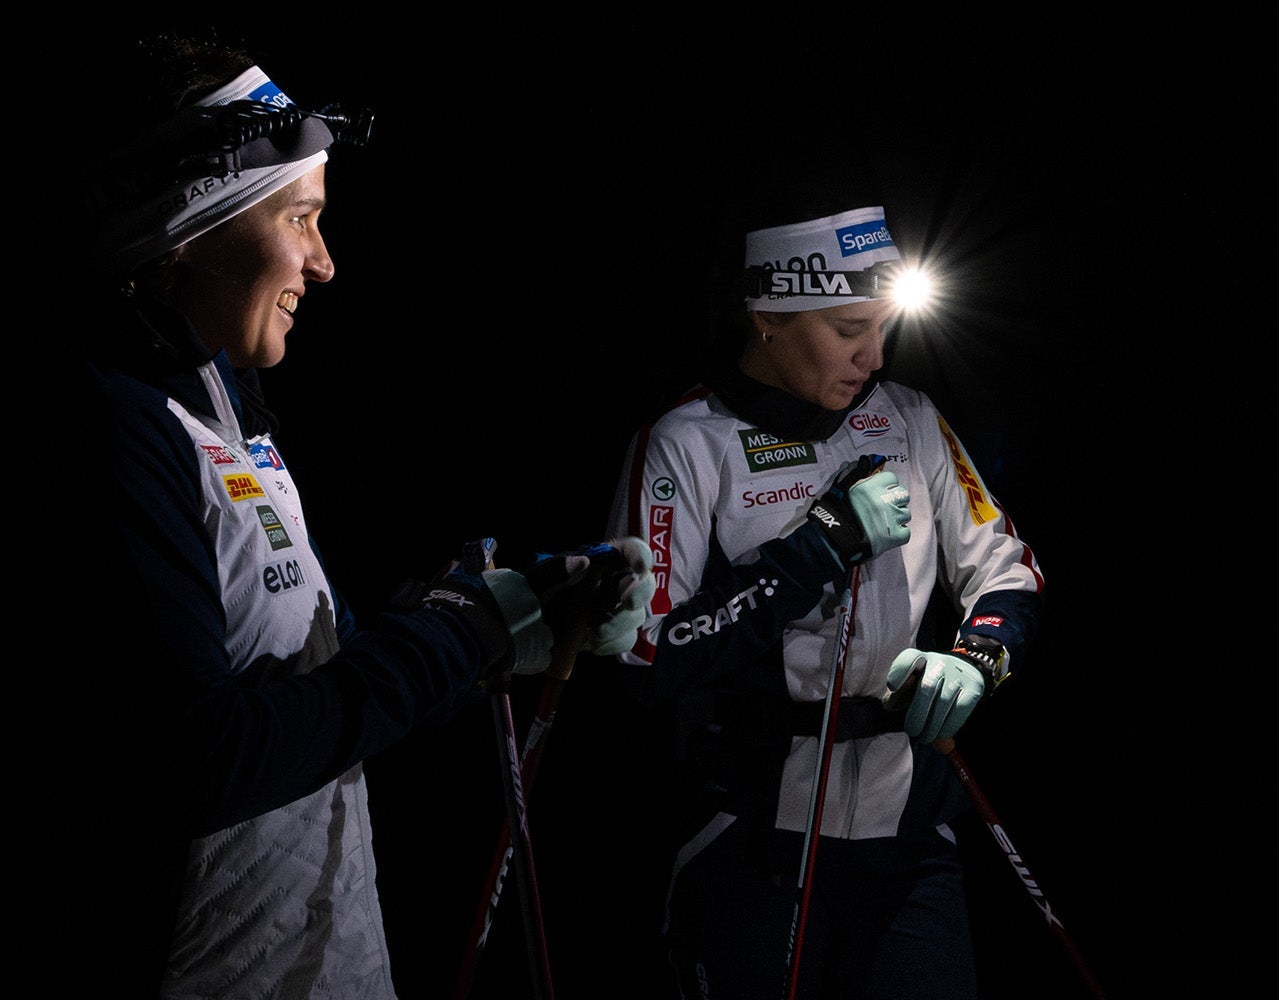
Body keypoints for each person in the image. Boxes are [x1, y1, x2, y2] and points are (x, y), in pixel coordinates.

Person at [34, 33, 653, 998]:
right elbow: (204, 754)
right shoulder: (116, 430)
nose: (324, 263)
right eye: (302, 217)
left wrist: (511, 621)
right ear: (191, 226)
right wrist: (461, 633)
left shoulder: (232, 416)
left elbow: (322, 677)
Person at [595, 180, 1046, 998]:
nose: (873, 357)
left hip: (909, 826)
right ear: (767, 319)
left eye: (882, 330)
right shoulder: (686, 444)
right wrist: (818, 548)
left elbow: (1007, 565)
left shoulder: (907, 416)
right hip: (751, 830)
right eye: (848, 331)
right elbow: (643, 652)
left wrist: (977, 658)